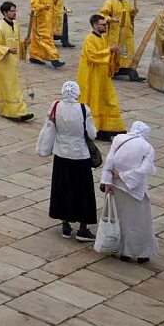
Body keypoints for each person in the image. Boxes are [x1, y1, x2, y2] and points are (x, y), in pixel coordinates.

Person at [41, 81, 97, 242]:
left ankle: (65, 224)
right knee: (83, 192)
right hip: (80, 156)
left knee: (63, 188)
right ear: (77, 93)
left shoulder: (56, 106)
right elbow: (92, 134)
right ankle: (83, 229)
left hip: (61, 154)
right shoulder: (83, 109)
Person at [100, 122, 158, 263]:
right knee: (139, 222)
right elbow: (144, 169)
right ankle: (141, 252)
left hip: (116, 187)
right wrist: (123, 175)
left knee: (121, 219)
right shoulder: (147, 147)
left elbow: (109, 160)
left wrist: (107, 181)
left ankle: (123, 250)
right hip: (135, 189)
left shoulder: (119, 138)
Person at [78, 13, 125, 139]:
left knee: (107, 100)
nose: (106, 27)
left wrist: (113, 53)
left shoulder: (102, 38)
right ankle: (96, 128)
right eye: (103, 25)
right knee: (95, 101)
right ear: (95, 25)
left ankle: (108, 127)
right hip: (92, 76)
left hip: (103, 75)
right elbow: (92, 56)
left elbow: (105, 54)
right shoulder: (89, 39)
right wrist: (109, 51)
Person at [0, 1, 33, 121]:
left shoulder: (16, 24)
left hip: (13, 62)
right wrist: (8, 50)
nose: (15, 13)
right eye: (12, 11)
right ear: (5, 12)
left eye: (15, 10)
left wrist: (25, 44)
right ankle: (15, 111)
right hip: (2, 62)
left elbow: (17, 43)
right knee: (10, 87)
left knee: (9, 85)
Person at [100, 0, 141, 82]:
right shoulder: (109, 2)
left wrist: (133, 13)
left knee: (128, 53)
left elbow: (129, 15)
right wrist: (111, 19)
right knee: (116, 53)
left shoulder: (126, 2)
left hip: (127, 33)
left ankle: (131, 72)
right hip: (115, 33)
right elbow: (102, 15)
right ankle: (114, 70)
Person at [28, 0, 64, 67]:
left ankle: (35, 56)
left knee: (38, 39)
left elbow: (54, 1)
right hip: (40, 20)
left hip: (48, 19)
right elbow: (34, 4)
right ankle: (54, 58)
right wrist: (43, 7)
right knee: (45, 39)